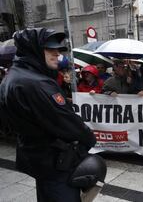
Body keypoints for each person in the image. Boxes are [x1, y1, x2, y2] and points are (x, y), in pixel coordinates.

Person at [0, 28, 96, 202]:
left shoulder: (12, 77)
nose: (56, 53)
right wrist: (90, 138)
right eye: (49, 49)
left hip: (37, 158)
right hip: (55, 163)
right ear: (33, 50)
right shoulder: (36, 83)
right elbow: (66, 121)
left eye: (58, 49)